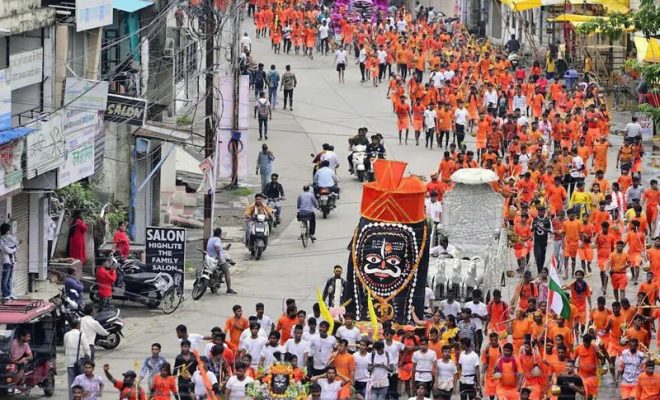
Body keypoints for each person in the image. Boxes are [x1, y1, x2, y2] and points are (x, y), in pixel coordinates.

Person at [64, 319, 90, 400]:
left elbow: (65, 347)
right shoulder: (81, 334)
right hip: (80, 362)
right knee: (82, 383)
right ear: (78, 325)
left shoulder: (66, 335)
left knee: (71, 384)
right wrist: (88, 359)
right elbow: (86, 348)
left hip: (69, 362)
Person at [207, 228, 237, 294]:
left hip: (209, 259)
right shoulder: (218, 240)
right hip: (217, 260)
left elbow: (217, 247)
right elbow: (217, 247)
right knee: (227, 272)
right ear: (220, 234)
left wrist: (225, 248)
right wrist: (218, 255)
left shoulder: (210, 239)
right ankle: (229, 289)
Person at [0, 222, 17, 299]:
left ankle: (9, 293)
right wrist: (14, 249)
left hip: (12, 260)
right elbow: (6, 250)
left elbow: (16, 245)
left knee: (10, 278)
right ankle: (5, 294)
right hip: (6, 261)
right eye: (8, 230)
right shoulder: (1, 240)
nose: (9, 232)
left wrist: (14, 247)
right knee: (5, 278)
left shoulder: (9, 238)